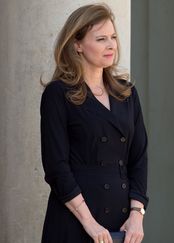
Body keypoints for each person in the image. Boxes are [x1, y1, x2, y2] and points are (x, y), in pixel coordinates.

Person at [40, 4, 148, 243]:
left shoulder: (127, 93)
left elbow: (139, 158)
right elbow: (56, 167)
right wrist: (89, 222)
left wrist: (136, 214)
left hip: (122, 224)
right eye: (101, 39)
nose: (111, 45)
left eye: (113, 37)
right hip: (75, 221)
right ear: (77, 44)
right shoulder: (58, 94)